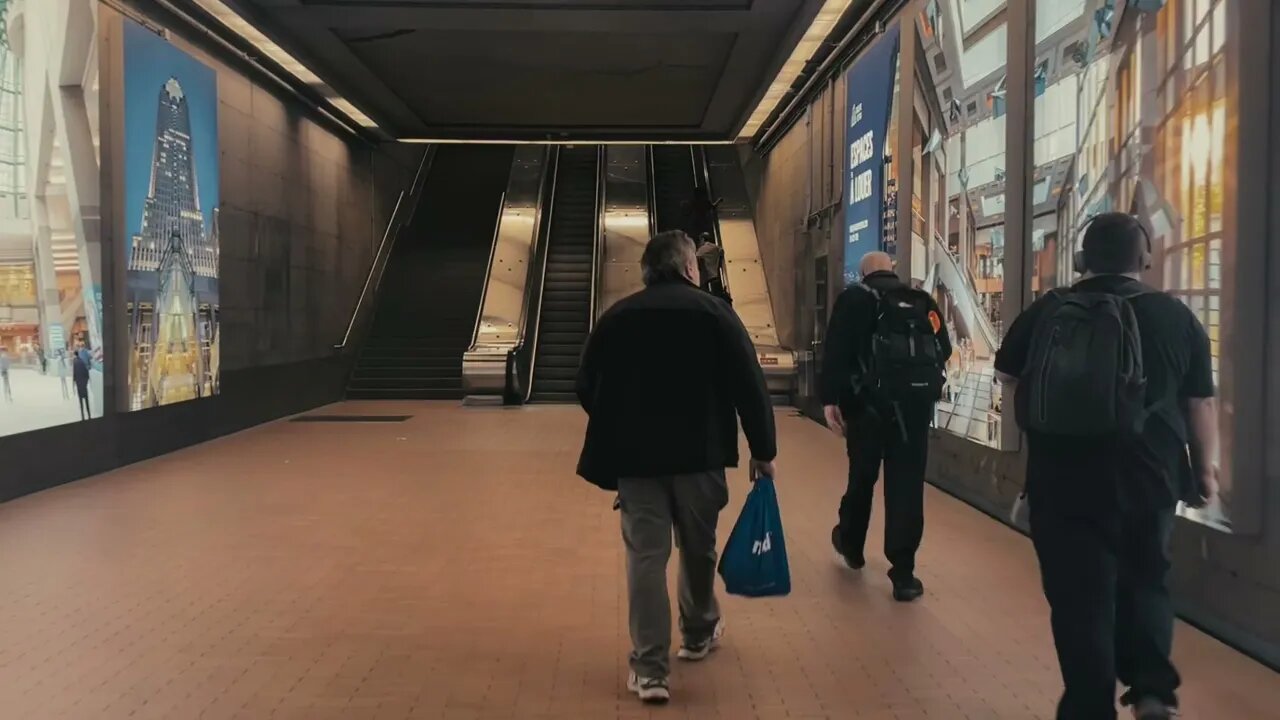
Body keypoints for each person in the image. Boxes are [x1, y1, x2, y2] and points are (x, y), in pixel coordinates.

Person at [994, 212, 1218, 720]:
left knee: (1079, 597)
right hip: (1149, 477)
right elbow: (1199, 404)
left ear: (1081, 260)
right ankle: (1152, 691)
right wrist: (1203, 472)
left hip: (1061, 482)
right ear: (1143, 259)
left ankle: (1088, 705)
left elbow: (1007, 375)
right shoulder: (1176, 316)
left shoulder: (1049, 309)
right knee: (1147, 580)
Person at [576, 230, 777, 705]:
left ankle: (649, 671)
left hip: (637, 461)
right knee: (697, 547)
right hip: (700, 457)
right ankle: (697, 632)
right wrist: (763, 450)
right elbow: (749, 384)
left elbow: (586, 383)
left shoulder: (618, 317)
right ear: (689, 269)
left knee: (646, 558)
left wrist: (619, 424)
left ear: (647, 271)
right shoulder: (715, 314)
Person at [820, 251, 952, 601]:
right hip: (914, 411)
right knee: (906, 486)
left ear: (864, 274)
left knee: (862, 478)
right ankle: (904, 574)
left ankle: (851, 544)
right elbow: (945, 348)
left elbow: (835, 351)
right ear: (892, 268)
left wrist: (831, 399)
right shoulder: (923, 301)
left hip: (866, 409)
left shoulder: (854, 299)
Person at [694, 234, 730, 304]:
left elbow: (694, 258)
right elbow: (721, 253)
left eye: (700, 240)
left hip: (707, 278)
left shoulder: (703, 249)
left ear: (703, 239)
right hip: (716, 277)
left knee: (709, 301)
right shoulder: (717, 248)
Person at [73, 351, 91, 420]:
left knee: (81, 401)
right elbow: (87, 374)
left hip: (79, 385)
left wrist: (74, 382)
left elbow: (74, 373)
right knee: (86, 401)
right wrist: (85, 383)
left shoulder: (75, 362)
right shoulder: (82, 361)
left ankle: (83, 416)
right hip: (83, 385)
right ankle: (89, 415)